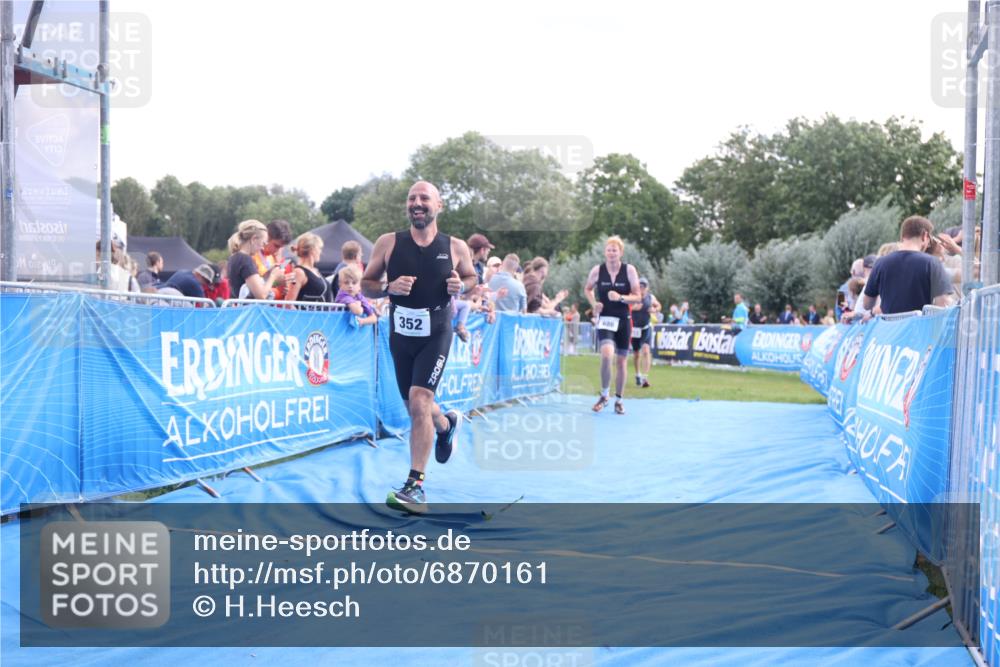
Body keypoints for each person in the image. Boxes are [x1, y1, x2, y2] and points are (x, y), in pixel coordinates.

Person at [361, 181, 477, 514]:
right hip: (401, 332)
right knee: (417, 406)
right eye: (412, 198)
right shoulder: (388, 243)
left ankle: (416, 486)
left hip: (437, 330)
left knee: (419, 399)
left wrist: (461, 284)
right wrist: (387, 287)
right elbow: (367, 286)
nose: (417, 203)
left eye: (424, 198)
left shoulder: (454, 246)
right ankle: (446, 424)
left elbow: (471, 279)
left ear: (438, 205)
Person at [584, 235, 642, 415]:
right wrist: (594, 304)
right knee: (607, 354)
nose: (611, 253)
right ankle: (604, 395)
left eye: (614, 250)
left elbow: (638, 296)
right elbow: (587, 289)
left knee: (622, 360)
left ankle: (619, 399)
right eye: (608, 250)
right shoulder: (597, 271)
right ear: (605, 252)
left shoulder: (629, 270)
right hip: (606, 319)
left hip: (624, 319)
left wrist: (621, 297)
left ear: (621, 253)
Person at [862, 215, 953, 315]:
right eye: (929, 240)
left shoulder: (880, 263)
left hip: (890, 329)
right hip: (920, 328)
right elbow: (943, 304)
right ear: (924, 235)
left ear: (903, 236)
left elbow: (867, 304)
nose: (928, 245)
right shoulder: (932, 263)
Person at [227, 219, 283, 300]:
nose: (262, 247)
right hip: (249, 311)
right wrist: (273, 276)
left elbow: (249, 283)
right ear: (254, 239)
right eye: (263, 243)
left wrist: (266, 275)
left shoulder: (234, 257)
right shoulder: (246, 259)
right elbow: (261, 295)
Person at [630, 277, 660, 388]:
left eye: (644, 287)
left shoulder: (650, 297)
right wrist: (633, 308)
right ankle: (637, 374)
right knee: (637, 353)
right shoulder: (633, 297)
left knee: (646, 351)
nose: (642, 289)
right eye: (640, 286)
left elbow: (658, 305)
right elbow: (624, 306)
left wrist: (655, 310)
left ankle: (645, 377)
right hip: (635, 329)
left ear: (647, 288)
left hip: (646, 328)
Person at [285, 232, 330, 303]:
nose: (320, 252)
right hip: (306, 313)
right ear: (313, 250)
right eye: (319, 248)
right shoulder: (299, 272)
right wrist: (304, 314)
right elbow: (288, 303)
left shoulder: (315, 270)